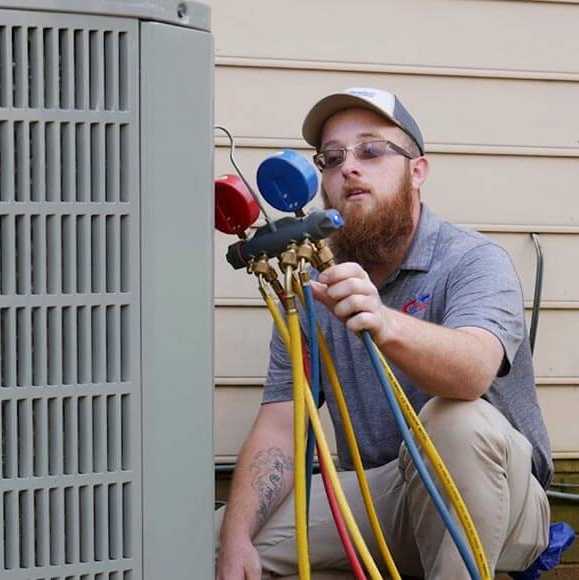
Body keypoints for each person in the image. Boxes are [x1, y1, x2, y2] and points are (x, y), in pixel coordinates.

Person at [215, 87, 553, 580]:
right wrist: (237, 537)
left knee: (451, 422)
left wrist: (385, 321)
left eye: (371, 151)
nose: (349, 167)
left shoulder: (473, 261)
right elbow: (282, 425)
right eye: (332, 159)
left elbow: (473, 373)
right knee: (217, 539)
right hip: (391, 490)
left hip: (505, 501)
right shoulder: (313, 285)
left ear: (417, 172)